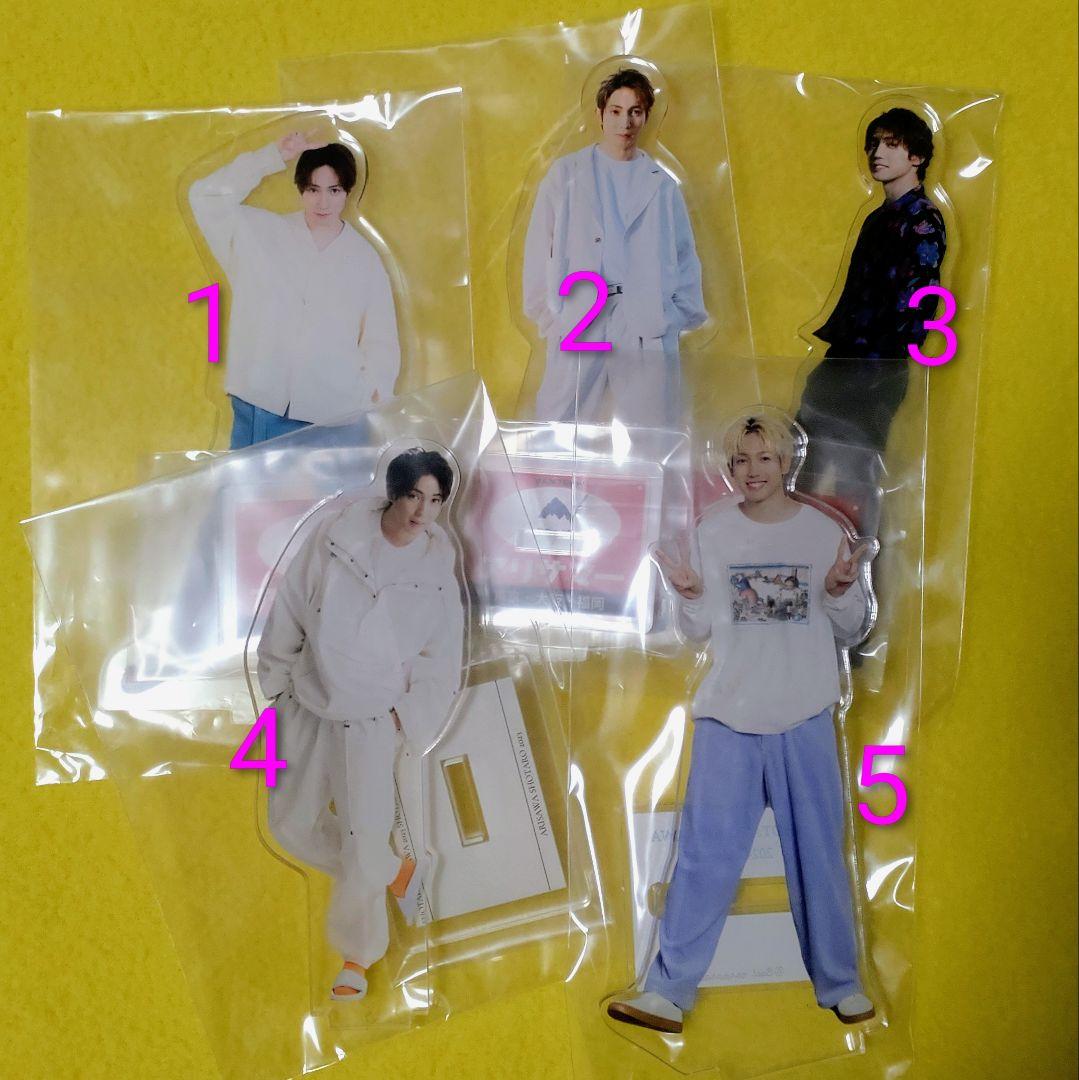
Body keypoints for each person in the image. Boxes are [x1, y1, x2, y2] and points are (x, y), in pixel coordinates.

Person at [607, 411, 876, 1034]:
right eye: (740, 461)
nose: (752, 471)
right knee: (703, 855)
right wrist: (689, 592)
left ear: (786, 462)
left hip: (804, 714)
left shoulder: (821, 532)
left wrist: (840, 586)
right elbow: (697, 629)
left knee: (819, 855)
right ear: (729, 467)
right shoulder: (715, 529)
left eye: (764, 458)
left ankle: (841, 982)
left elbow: (851, 626)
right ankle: (668, 991)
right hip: (728, 715)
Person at [257, 448, 464, 1001]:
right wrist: (276, 683)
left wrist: (406, 717)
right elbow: (291, 604)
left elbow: (443, 658)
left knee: (363, 833)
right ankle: (394, 870)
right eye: (414, 495)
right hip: (306, 701)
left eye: (435, 500)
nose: (422, 511)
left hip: (374, 718)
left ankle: (357, 956)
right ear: (394, 492)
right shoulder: (336, 537)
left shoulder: (436, 572)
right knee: (289, 825)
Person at [189, 131, 400, 448]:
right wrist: (272, 156)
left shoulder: (364, 259)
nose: (323, 202)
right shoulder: (261, 233)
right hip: (259, 405)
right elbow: (205, 197)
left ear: (347, 191)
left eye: (334, 190)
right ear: (301, 188)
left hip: (334, 416)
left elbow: (381, 339)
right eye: (314, 189)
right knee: (248, 481)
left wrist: (372, 394)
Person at [522, 68, 706, 427]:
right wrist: (553, 319)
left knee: (653, 429)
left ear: (647, 116)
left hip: (642, 319)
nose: (626, 122)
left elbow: (685, 257)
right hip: (581, 315)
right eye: (616, 111)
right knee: (558, 422)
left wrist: (670, 318)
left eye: (635, 111)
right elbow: (538, 251)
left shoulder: (662, 185)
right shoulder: (566, 175)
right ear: (600, 114)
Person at [796, 107, 946, 533]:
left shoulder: (922, 220)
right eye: (875, 143)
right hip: (844, 360)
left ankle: (862, 560)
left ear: (917, 157)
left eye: (891, 144)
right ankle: (806, 549)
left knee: (855, 474)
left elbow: (919, 303)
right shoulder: (880, 217)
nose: (878, 153)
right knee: (803, 458)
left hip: (875, 368)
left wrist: (880, 360)